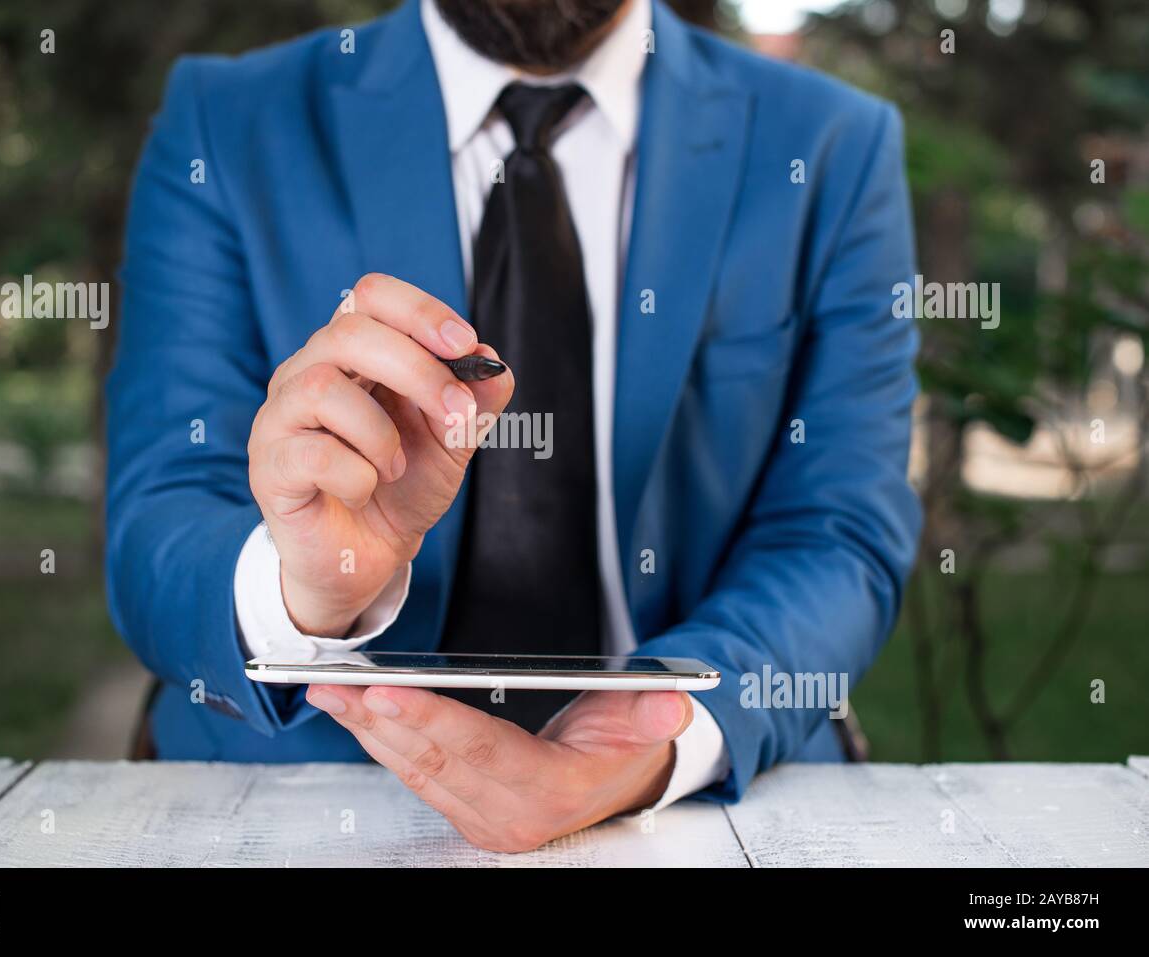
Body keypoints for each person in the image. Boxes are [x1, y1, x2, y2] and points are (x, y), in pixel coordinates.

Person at [106, 0, 922, 853]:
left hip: (695, 809)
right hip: (290, 806)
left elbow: (838, 529)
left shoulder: (832, 145)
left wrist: (656, 730)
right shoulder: (228, 123)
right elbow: (159, 519)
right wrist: (309, 583)